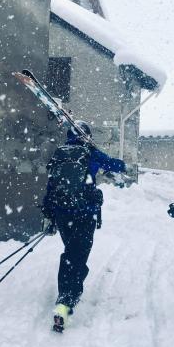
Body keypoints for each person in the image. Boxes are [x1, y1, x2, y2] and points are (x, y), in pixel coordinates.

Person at [41, 120, 126, 332]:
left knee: (71, 252)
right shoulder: (91, 154)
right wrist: (98, 153)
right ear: (87, 135)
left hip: (62, 214)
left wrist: (49, 215)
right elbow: (118, 166)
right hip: (84, 214)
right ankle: (65, 301)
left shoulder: (59, 154)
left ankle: (68, 294)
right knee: (77, 255)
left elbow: (51, 187)